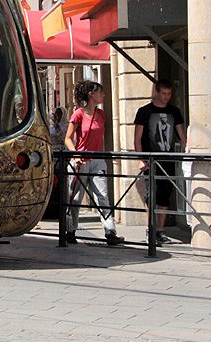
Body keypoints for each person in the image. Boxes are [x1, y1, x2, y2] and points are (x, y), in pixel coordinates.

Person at [64, 80, 124, 246]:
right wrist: (75, 155)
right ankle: (70, 230)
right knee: (76, 198)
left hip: (98, 160)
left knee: (102, 196)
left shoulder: (101, 115)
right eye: (100, 92)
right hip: (80, 160)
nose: (103, 95)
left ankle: (110, 231)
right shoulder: (78, 114)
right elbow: (68, 138)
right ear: (91, 94)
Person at [133, 79, 187, 244]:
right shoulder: (144, 111)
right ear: (157, 92)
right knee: (151, 196)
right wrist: (140, 159)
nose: (166, 97)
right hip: (150, 160)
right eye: (163, 93)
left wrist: (187, 150)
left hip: (168, 159)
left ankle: (161, 230)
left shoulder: (174, 111)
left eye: (169, 94)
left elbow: (181, 135)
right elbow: (137, 139)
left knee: (165, 196)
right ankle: (150, 229)